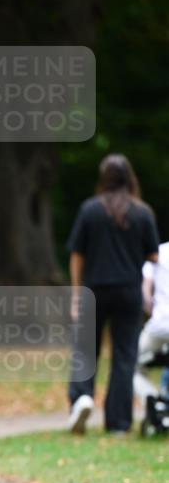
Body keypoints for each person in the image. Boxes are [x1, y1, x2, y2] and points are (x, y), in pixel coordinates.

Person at [67, 154, 159, 434]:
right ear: (130, 178)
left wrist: (76, 292)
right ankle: (118, 422)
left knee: (86, 350)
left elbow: (77, 254)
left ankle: (81, 399)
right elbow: (154, 255)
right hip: (129, 291)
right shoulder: (142, 213)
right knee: (124, 356)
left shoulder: (89, 210)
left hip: (94, 289)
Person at [133, 240, 169, 401]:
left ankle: (153, 400)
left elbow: (145, 295)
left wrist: (153, 311)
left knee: (131, 365)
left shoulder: (158, 252)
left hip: (160, 325)